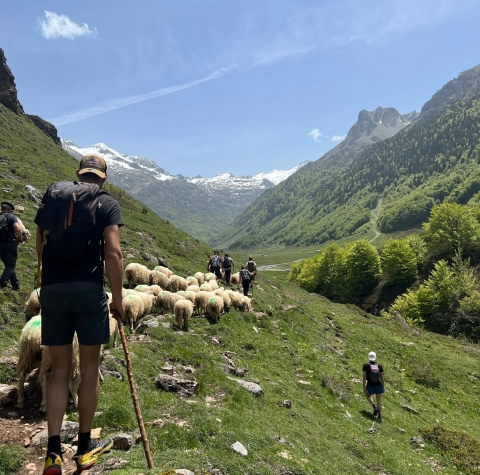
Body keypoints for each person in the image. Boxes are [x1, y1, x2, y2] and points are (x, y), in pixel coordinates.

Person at [35, 154, 125, 475]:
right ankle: (85, 448)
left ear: (77, 174)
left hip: (53, 290)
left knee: (59, 370)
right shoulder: (106, 203)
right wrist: (117, 298)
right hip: (88, 290)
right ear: (103, 177)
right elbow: (113, 252)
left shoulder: (54, 196)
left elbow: (39, 243)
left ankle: (53, 451)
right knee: (89, 367)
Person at [0, 201, 23, 290]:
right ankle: (2, 282)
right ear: (9, 209)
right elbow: (17, 228)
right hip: (10, 244)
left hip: (0, 244)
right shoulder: (11, 216)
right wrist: (20, 237)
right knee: (10, 265)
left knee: (8, 265)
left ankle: (15, 285)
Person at [362, 351, 384, 423]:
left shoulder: (366, 366)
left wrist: (364, 387)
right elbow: (382, 378)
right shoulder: (379, 366)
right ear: (375, 357)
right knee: (379, 400)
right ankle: (379, 417)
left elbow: (364, 378)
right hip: (378, 385)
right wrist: (382, 387)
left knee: (368, 395)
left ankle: (374, 407)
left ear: (368, 357)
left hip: (370, 385)